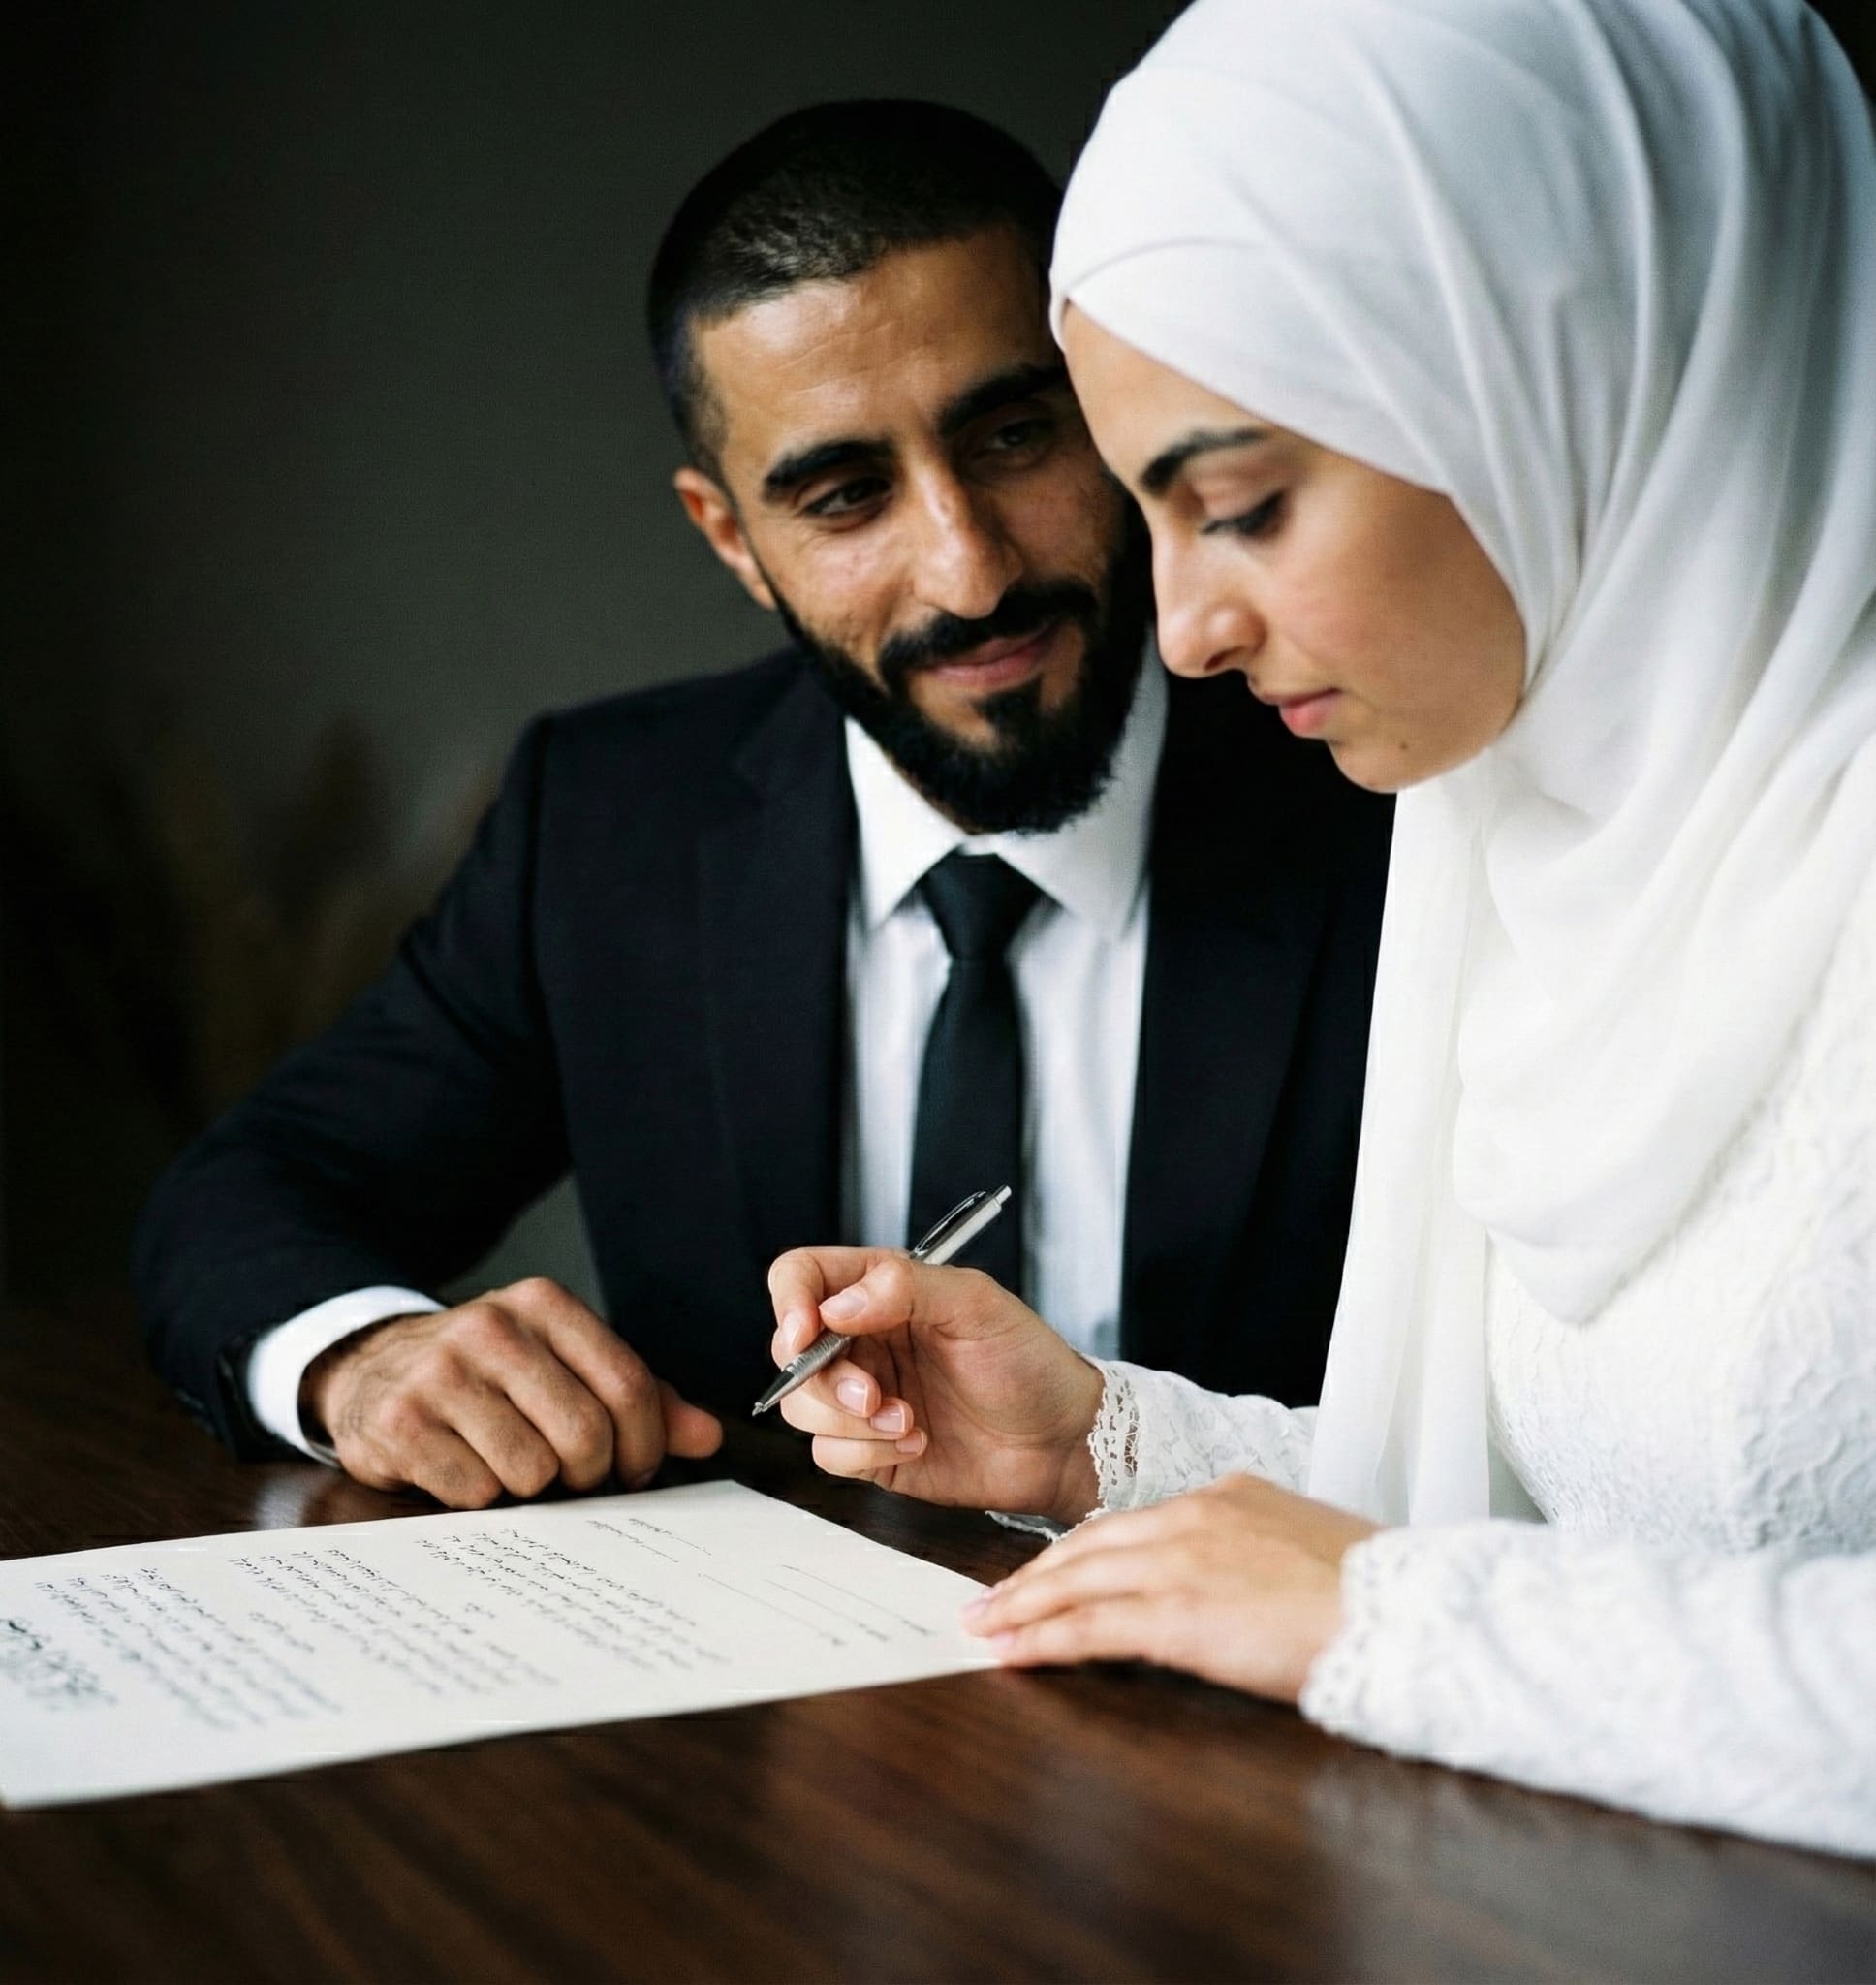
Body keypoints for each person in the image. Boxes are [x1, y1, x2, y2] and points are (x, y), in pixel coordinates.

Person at [765, 0, 1876, 1858]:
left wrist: (1386, 1622)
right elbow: (1567, 1545)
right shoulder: (1528, 829)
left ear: (1578, 369)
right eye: (1152, 517)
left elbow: (1449, 1602)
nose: (1181, 629)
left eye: (1247, 505)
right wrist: (1097, 1450)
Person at [134, 100, 1391, 1511]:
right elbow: (249, 1194)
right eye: (847, 497)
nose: (968, 573)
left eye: (1019, 435)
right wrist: (359, 1359)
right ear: (733, 538)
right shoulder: (605, 822)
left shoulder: (1389, 788)